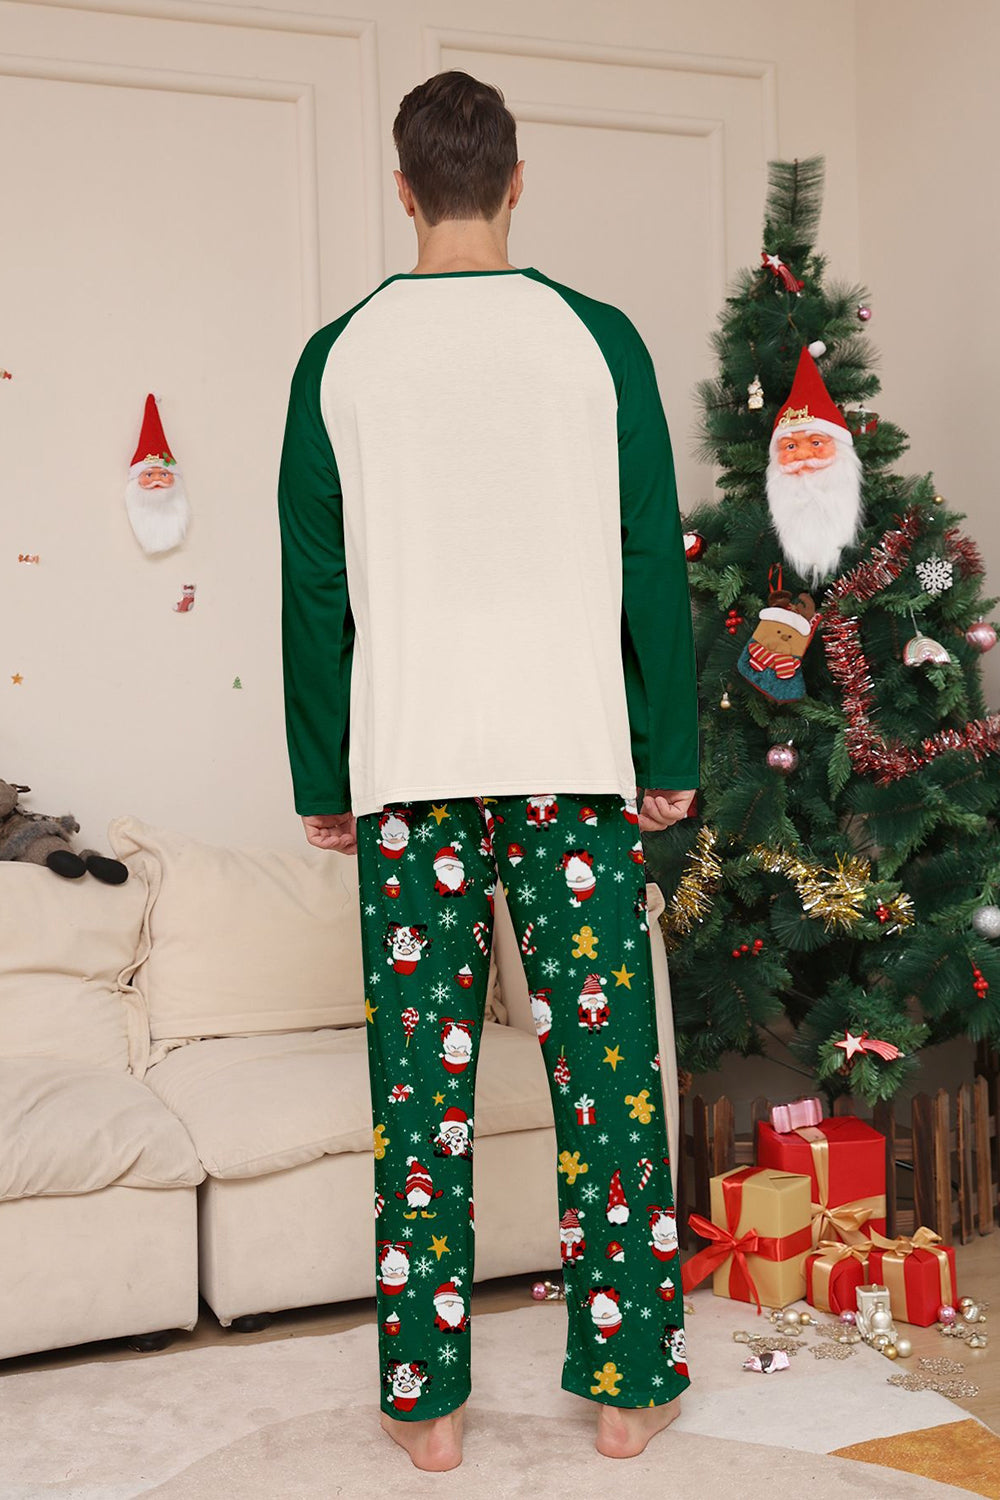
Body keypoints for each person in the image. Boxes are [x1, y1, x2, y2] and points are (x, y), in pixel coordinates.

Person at [277, 68, 699, 1473]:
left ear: (403, 189)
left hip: (410, 771)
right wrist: (667, 750)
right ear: (517, 183)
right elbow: (649, 562)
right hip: (572, 764)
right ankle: (629, 1394)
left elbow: (315, 587)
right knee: (608, 1085)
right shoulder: (599, 343)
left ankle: (429, 1409)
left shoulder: (338, 356)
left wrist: (325, 774)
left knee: (418, 1099)